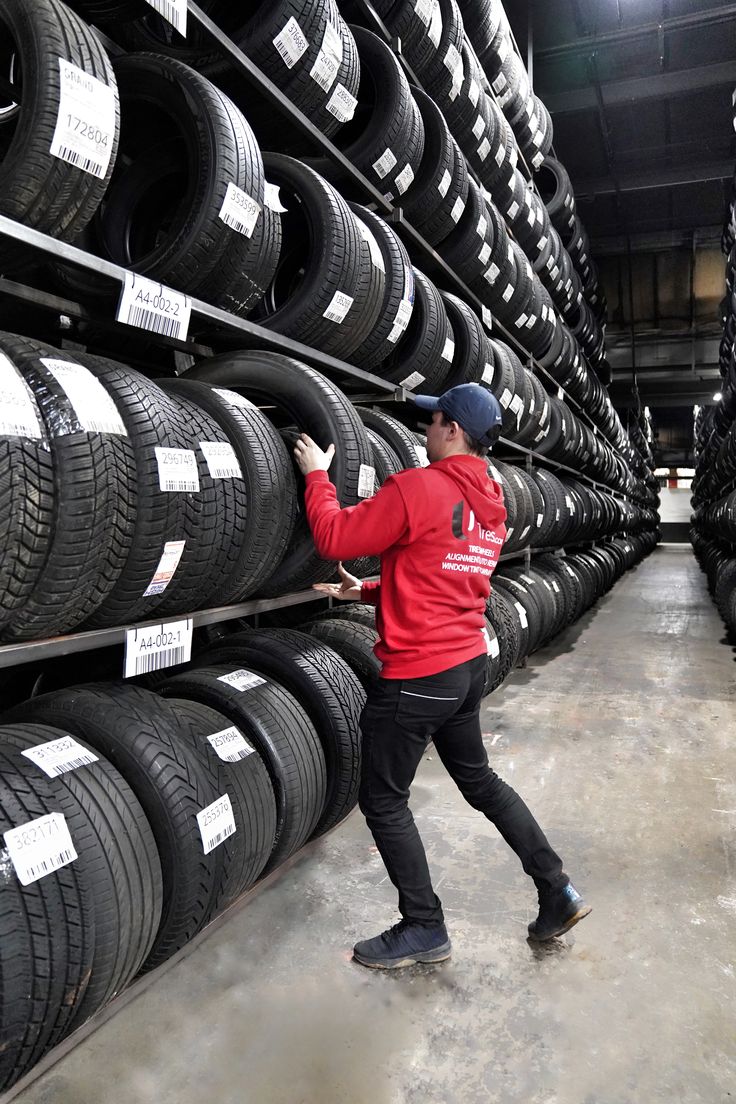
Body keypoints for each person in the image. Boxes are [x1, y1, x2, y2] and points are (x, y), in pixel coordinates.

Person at [293, 383, 590, 970]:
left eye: (432, 423)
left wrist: (316, 475)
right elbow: (446, 575)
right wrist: (371, 588)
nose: (425, 431)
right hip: (465, 663)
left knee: (382, 799)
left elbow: (334, 536)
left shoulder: (418, 487)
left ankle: (423, 926)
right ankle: (556, 889)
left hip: (418, 673)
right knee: (480, 783)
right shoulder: (493, 503)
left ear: (452, 429)